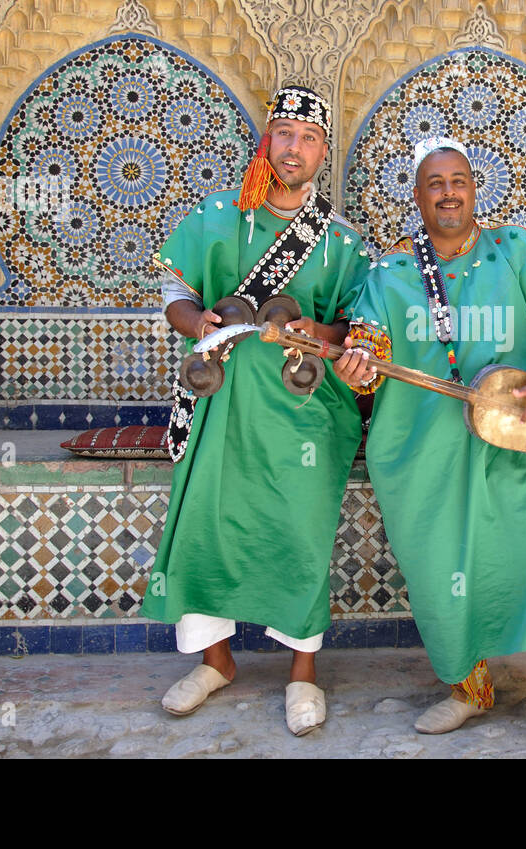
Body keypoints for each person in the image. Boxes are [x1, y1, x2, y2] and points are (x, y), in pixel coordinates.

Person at [332, 137, 526, 757]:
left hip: (525, 444)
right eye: (434, 183)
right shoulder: (389, 274)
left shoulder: (514, 251)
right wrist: (357, 366)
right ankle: (470, 690)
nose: (448, 191)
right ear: (417, 198)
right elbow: (366, 347)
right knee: (445, 574)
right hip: (427, 456)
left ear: (474, 189)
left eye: (458, 180)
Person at [143, 84, 369, 735]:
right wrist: (198, 320)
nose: (293, 147)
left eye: (307, 137)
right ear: (267, 139)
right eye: (284, 134)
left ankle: (303, 673)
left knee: (299, 531)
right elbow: (175, 290)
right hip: (220, 404)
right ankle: (217, 661)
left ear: (324, 150)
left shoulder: (341, 241)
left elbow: (358, 326)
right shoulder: (219, 217)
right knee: (205, 525)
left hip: (305, 413)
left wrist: (312, 336)